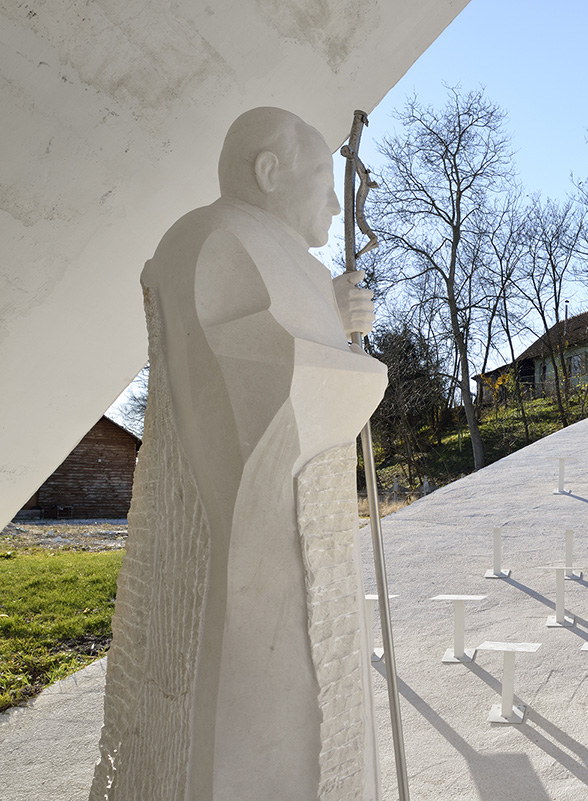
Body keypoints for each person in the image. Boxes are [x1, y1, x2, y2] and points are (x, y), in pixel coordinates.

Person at [91, 108, 387, 801]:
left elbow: (287, 346)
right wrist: (360, 364)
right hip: (262, 557)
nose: (334, 206)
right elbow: (275, 393)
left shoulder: (269, 251)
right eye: (324, 185)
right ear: (269, 171)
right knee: (265, 742)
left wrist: (329, 311)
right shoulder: (221, 238)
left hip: (285, 550)